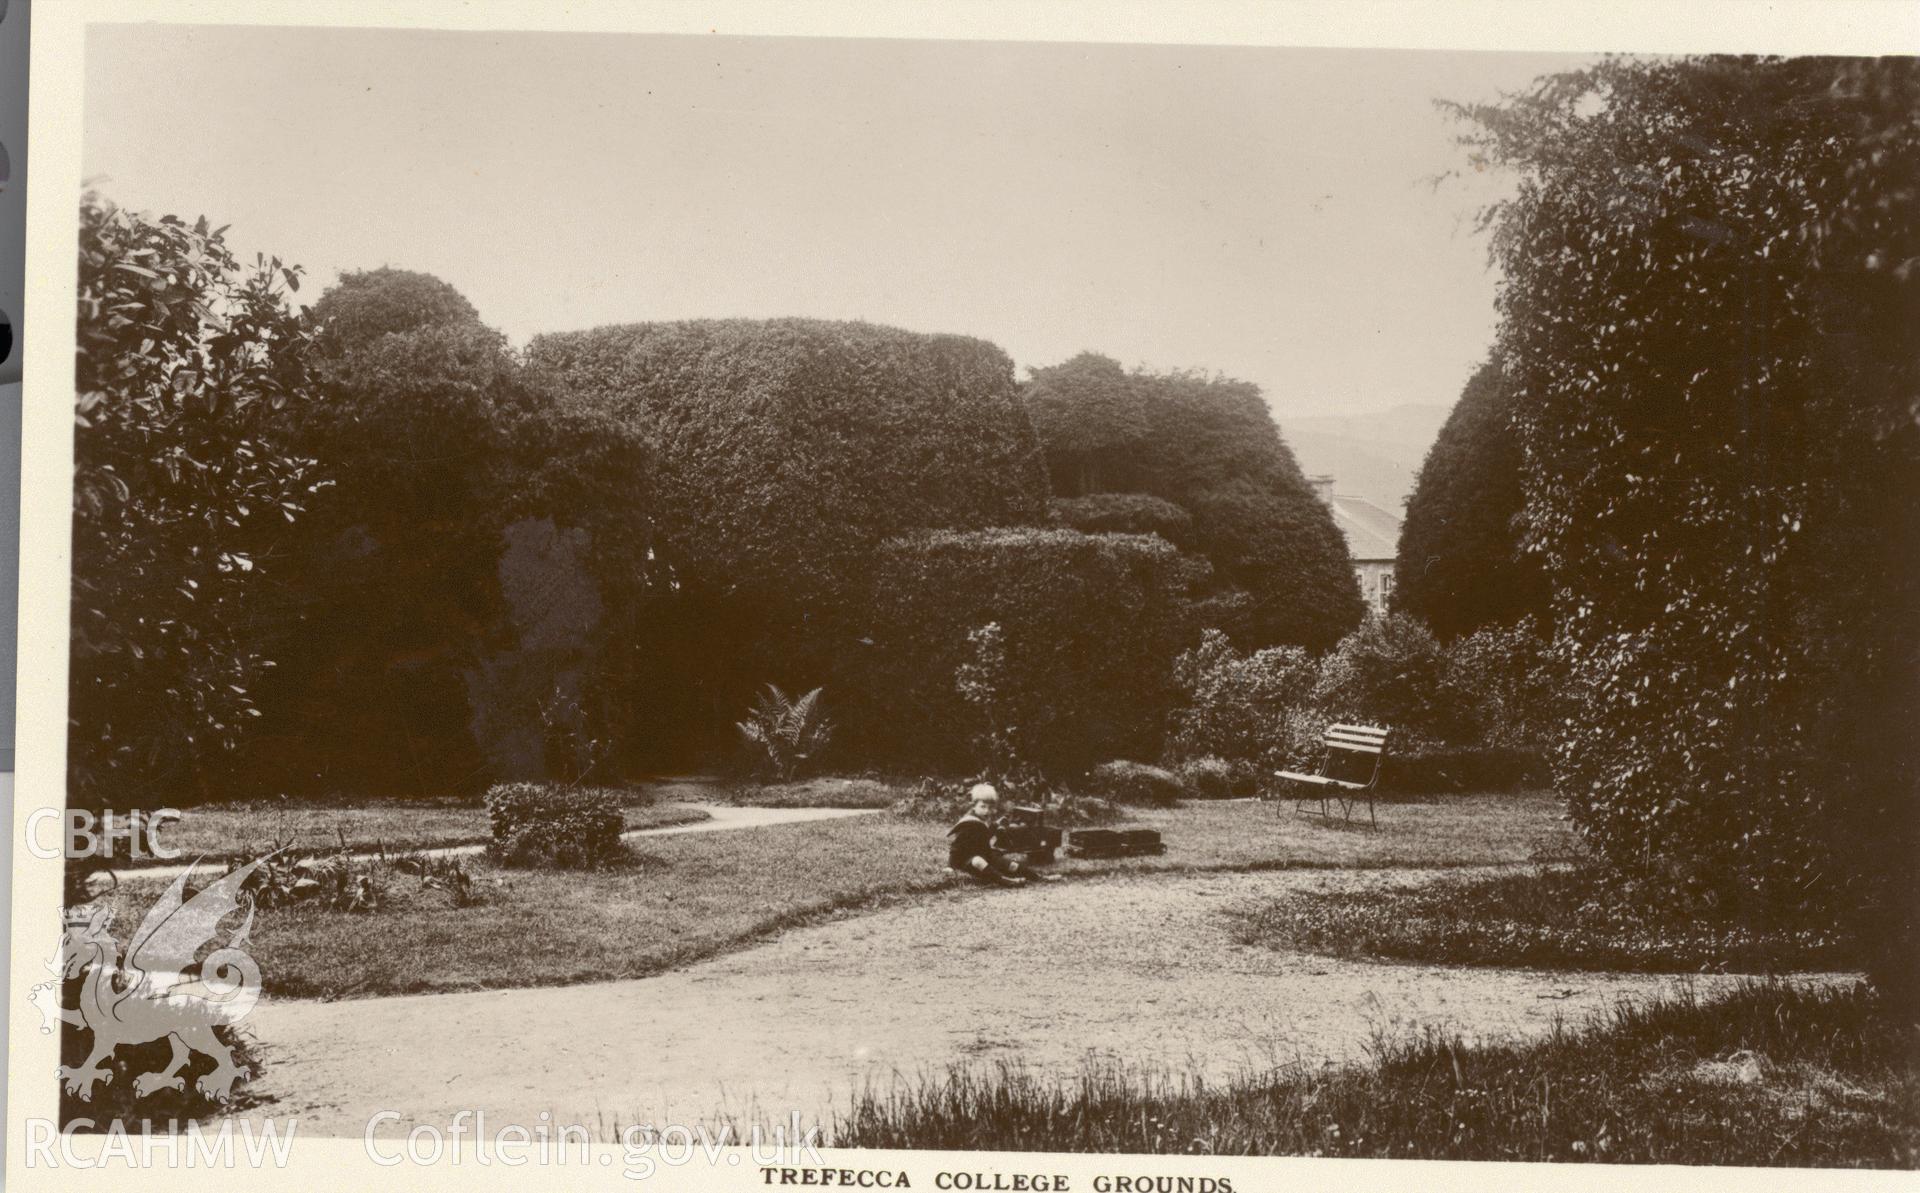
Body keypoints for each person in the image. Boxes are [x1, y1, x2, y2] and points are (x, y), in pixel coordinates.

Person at [947, 783, 1060, 886]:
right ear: (974, 805)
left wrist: (996, 826)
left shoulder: (981, 819)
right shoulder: (968, 822)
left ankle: (1039, 877)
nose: (987, 811)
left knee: (1011, 864)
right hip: (968, 859)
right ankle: (1005, 881)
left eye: (990, 807)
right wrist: (950, 866)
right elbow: (955, 847)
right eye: (983, 807)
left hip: (985, 853)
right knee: (978, 861)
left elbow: (984, 837)